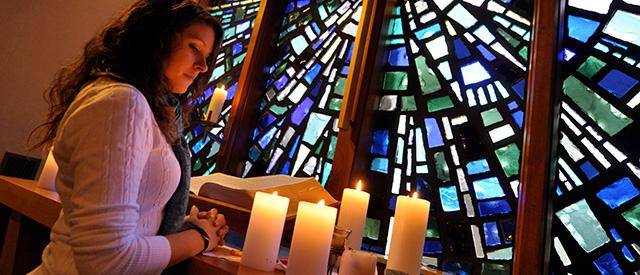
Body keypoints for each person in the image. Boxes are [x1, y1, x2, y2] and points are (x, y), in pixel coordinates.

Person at [27, 0, 228, 274]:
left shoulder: (140, 104)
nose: (203, 66)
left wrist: (182, 224)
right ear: (157, 38)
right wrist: (200, 238)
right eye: (194, 47)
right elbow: (106, 260)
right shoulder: (122, 102)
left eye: (207, 56)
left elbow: (131, 218)